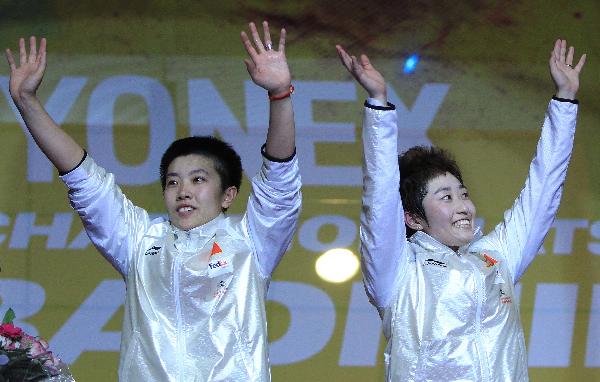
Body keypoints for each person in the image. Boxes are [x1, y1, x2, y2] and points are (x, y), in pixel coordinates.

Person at [6, 21, 301, 381]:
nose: (183, 191)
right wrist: (27, 102)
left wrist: (280, 95)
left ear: (229, 195)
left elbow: (280, 183)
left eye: (198, 180)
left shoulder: (251, 242)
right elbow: (84, 179)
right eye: (173, 181)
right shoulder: (140, 239)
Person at [336, 39, 585, 381]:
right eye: (446, 197)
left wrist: (565, 100)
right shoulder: (398, 271)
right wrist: (378, 107)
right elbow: (379, 198)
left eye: (463, 193)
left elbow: (543, 192)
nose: (464, 206)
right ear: (413, 219)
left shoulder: (495, 257)